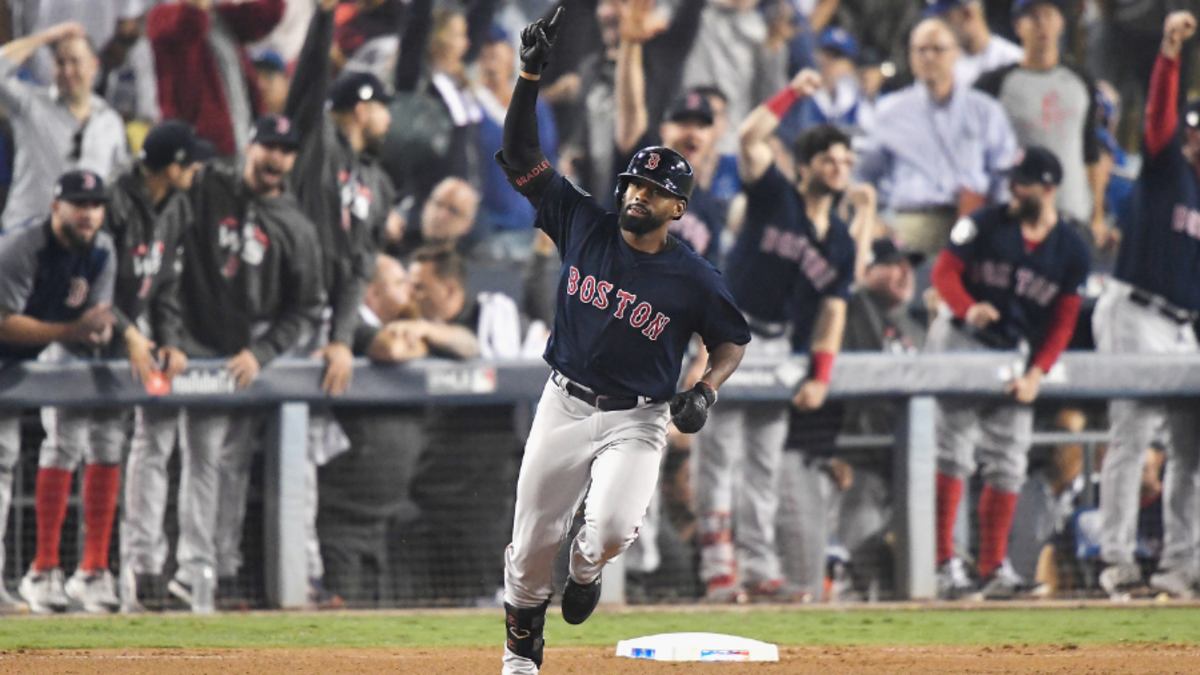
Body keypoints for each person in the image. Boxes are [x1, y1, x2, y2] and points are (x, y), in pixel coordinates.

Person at [493, 10, 749, 674]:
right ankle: (522, 652)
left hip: (639, 416)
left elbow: (731, 339)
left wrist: (707, 388)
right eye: (636, 182)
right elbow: (522, 157)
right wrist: (528, 76)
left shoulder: (694, 276)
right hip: (565, 402)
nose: (640, 193)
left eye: (657, 190)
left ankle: (585, 566)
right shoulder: (583, 221)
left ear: (677, 209)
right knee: (526, 550)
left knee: (606, 530)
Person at [693, 68, 865, 603]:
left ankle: (758, 568)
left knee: (764, 459)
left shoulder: (838, 239)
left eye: (845, 162)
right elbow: (748, 137)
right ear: (807, 165)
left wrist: (822, 375)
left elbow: (832, 312)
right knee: (717, 453)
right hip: (725, 326)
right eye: (828, 160)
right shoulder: (775, 195)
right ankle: (718, 569)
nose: (838, 169)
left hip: (776, 344)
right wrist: (793, 92)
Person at [159, 114, 325, 609]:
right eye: (267, 146)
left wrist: (263, 352)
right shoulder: (210, 187)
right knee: (203, 455)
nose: (275, 157)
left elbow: (307, 307)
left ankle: (221, 568)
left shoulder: (296, 226)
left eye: (285, 149)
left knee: (231, 464)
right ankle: (193, 569)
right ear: (249, 147)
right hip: (201, 338)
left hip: (254, 348)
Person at [928, 146, 1090, 600]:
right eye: (1012, 179)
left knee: (1009, 460)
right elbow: (943, 273)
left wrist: (1038, 372)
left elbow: (1063, 321)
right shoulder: (983, 222)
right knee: (952, 454)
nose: (1012, 188)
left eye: (1023, 182)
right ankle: (944, 563)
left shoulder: (1073, 249)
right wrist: (966, 306)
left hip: (1015, 353)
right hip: (960, 339)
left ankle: (993, 569)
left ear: (1049, 188)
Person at [1094, 11, 1200, 601]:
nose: (1197, 137)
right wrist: (1170, 54)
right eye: (1196, 129)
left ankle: (1181, 564)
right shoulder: (1167, 169)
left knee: (1191, 449)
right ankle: (1117, 562)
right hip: (1133, 309)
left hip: (1183, 329)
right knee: (1131, 438)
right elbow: (1159, 116)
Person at [0, 170, 117, 614]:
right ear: (55, 206)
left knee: (3, 458)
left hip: (24, 359)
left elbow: (97, 319)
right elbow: (3, 320)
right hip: (10, 351)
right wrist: (72, 329)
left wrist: (102, 333)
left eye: (95, 204)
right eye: (78, 204)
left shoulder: (102, 251)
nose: (88, 214)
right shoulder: (20, 247)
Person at [115, 121, 212, 613]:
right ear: (172, 164)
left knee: (153, 441)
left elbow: (166, 286)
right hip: (88, 343)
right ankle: (100, 574)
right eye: (190, 161)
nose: (195, 168)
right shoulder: (113, 202)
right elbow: (92, 284)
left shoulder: (174, 206)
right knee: (88, 451)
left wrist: (170, 341)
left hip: (140, 342)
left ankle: (146, 574)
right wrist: (127, 331)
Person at [857, 17, 1017, 256]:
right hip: (910, 221)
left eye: (938, 49)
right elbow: (862, 174)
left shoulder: (984, 110)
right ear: (911, 58)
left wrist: (998, 223)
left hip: (972, 220)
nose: (929, 57)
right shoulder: (889, 111)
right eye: (921, 50)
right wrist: (873, 218)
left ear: (956, 55)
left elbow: (1004, 172)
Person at [319, 254, 428, 606]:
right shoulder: (348, 329)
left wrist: (421, 331)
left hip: (384, 520)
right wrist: (418, 335)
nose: (410, 289)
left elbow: (467, 346)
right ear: (371, 295)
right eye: (399, 283)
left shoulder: (406, 323)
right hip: (341, 519)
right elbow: (391, 348)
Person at [975, 0, 1114, 252]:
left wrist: (1097, 216)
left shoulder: (1081, 81)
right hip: (1016, 215)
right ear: (1018, 26)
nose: (1042, 25)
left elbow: (1091, 153)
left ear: (1061, 23)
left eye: (1049, 15)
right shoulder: (994, 84)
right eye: (1033, 17)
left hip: (1072, 214)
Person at [614, 3, 725, 267]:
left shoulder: (709, 210)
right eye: (682, 122)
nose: (692, 133)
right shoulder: (641, 170)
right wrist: (629, 45)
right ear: (664, 130)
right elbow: (630, 110)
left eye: (701, 126)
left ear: (713, 138)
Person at [0, 22, 130, 231]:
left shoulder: (110, 122)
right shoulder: (31, 105)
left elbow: (118, 184)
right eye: (60, 62)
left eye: (75, 61)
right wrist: (45, 36)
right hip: (26, 233)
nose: (67, 71)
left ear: (93, 66)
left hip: (81, 241)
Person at [147, 0, 286, 158]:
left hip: (244, 145)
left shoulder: (221, 17)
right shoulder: (162, 17)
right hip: (196, 153)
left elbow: (269, 12)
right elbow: (189, 22)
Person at [925, 0, 1023, 86]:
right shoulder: (945, 65)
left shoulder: (1014, 59)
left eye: (946, 19)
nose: (941, 29)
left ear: (967, 14)